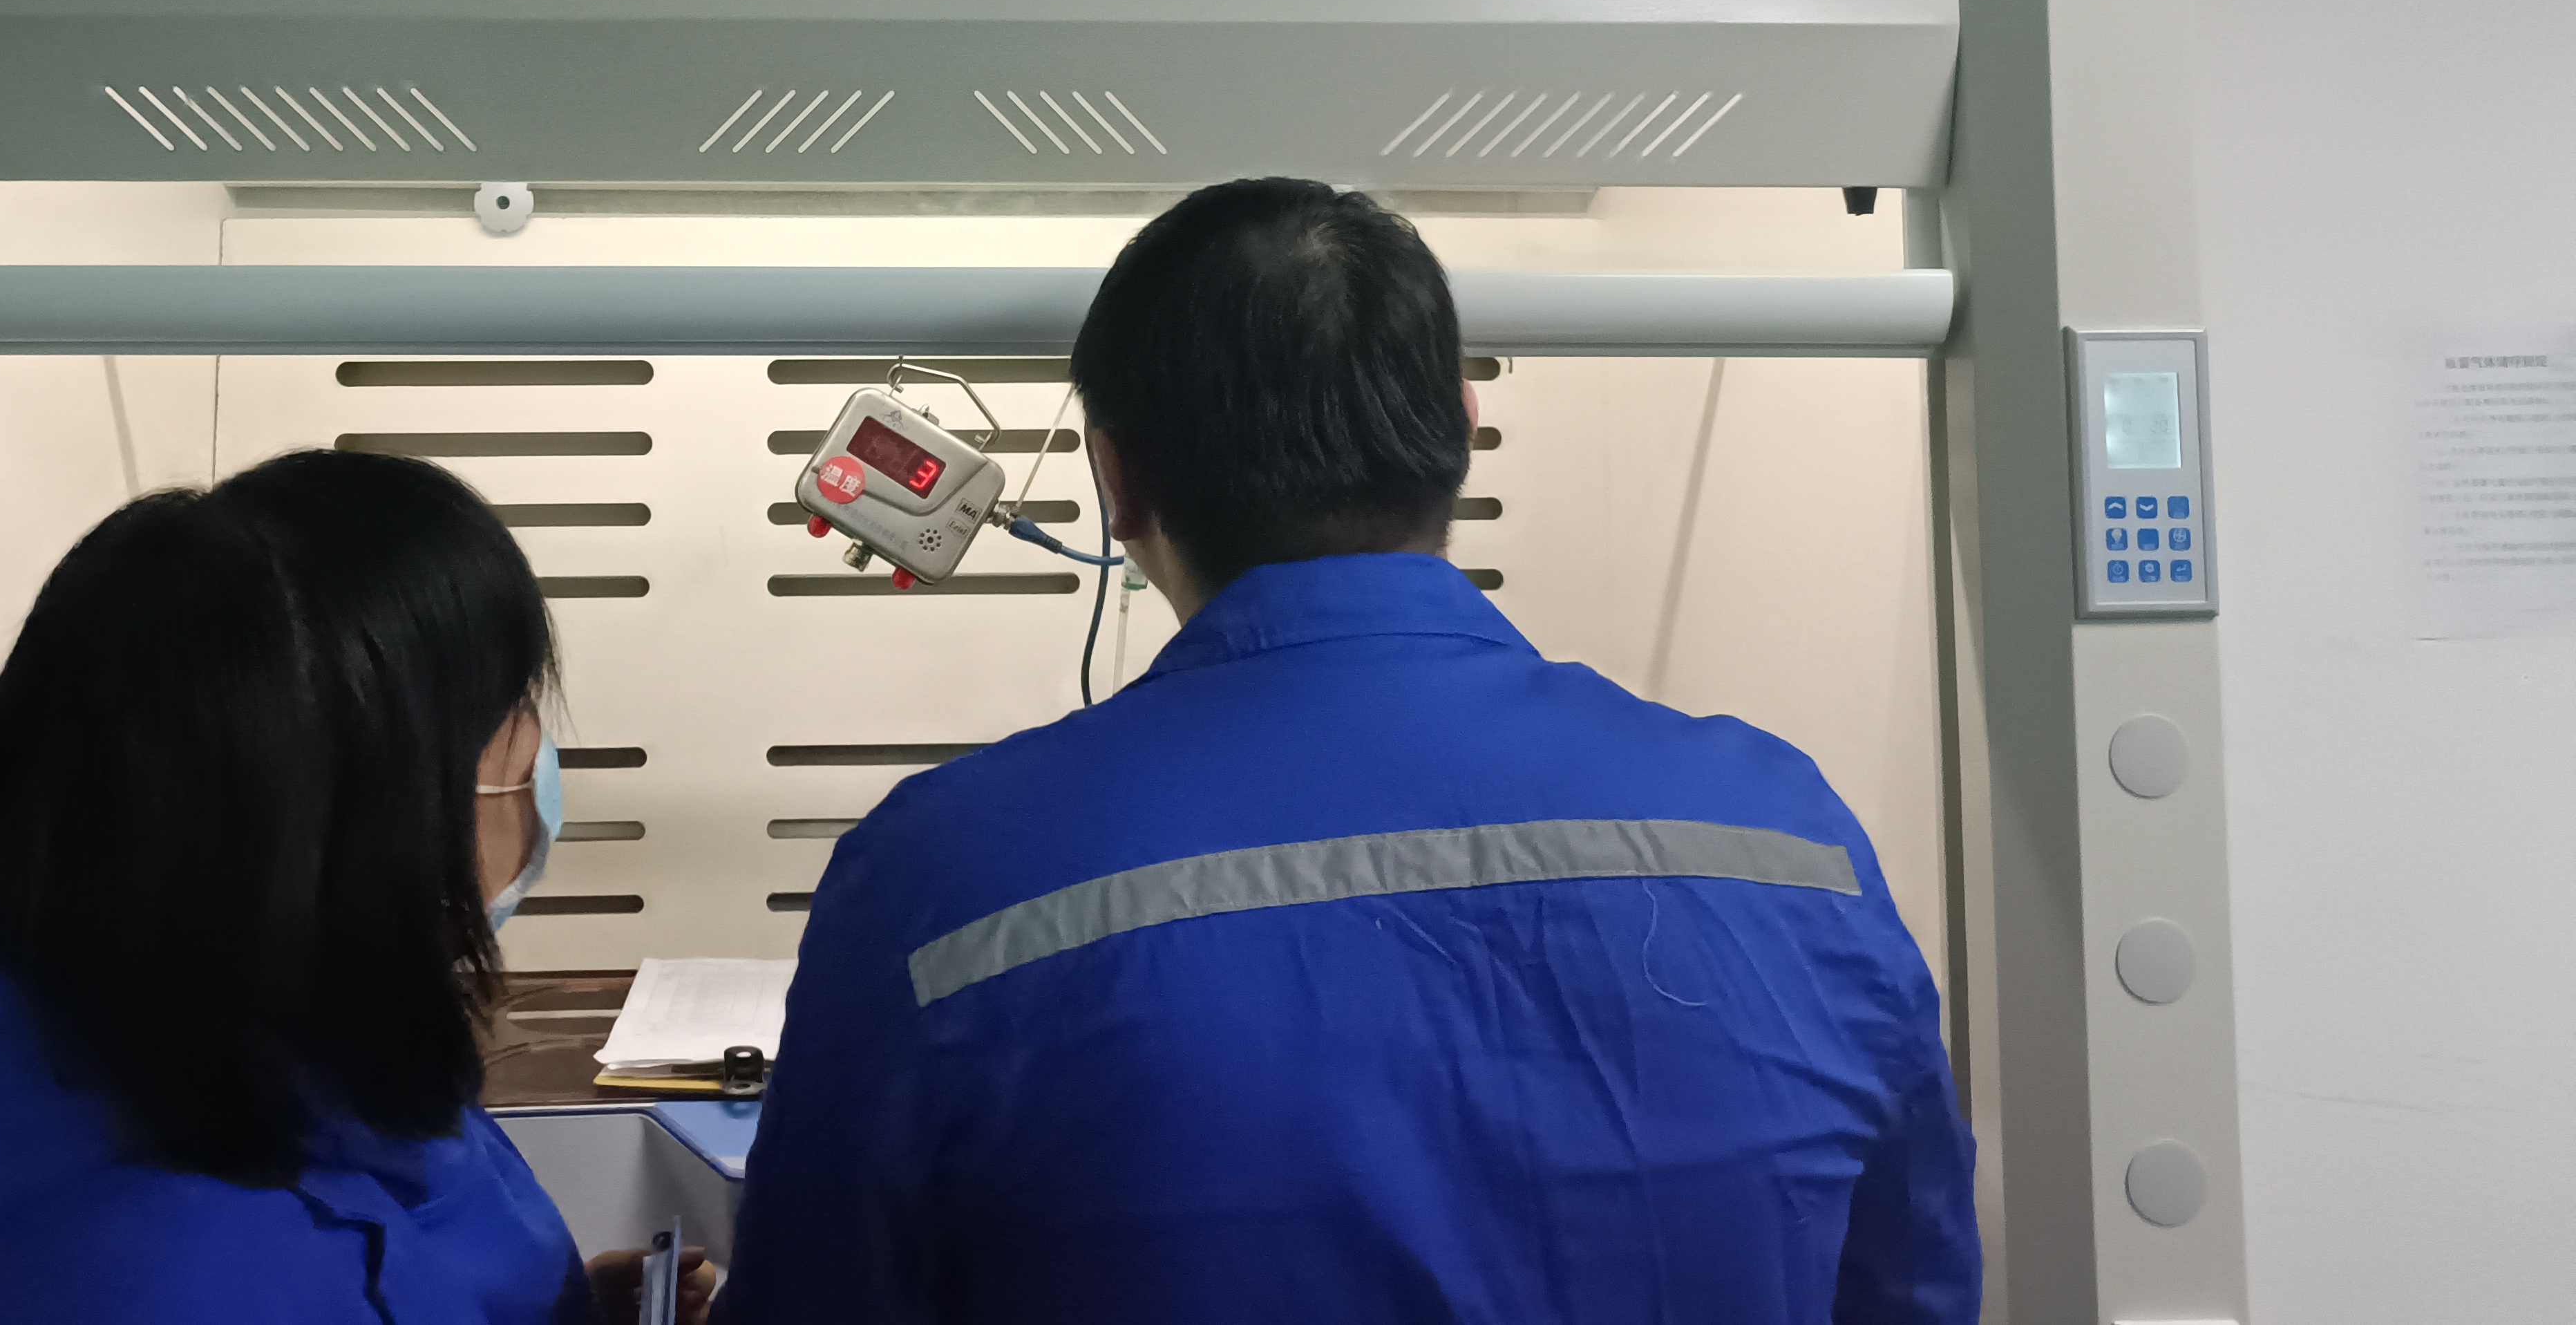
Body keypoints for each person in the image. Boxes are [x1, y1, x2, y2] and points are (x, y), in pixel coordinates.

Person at [717, 179, 1976, 1324]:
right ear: (1462, 428)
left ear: (1117, 478)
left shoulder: (938, 882)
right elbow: (1910, 1289)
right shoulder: (1789, 837)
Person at [0, 448, 712, 1325]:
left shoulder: (237, 1036)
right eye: (511, 714)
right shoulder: (176, 1279)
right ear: (376, 806)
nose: (533, 758)